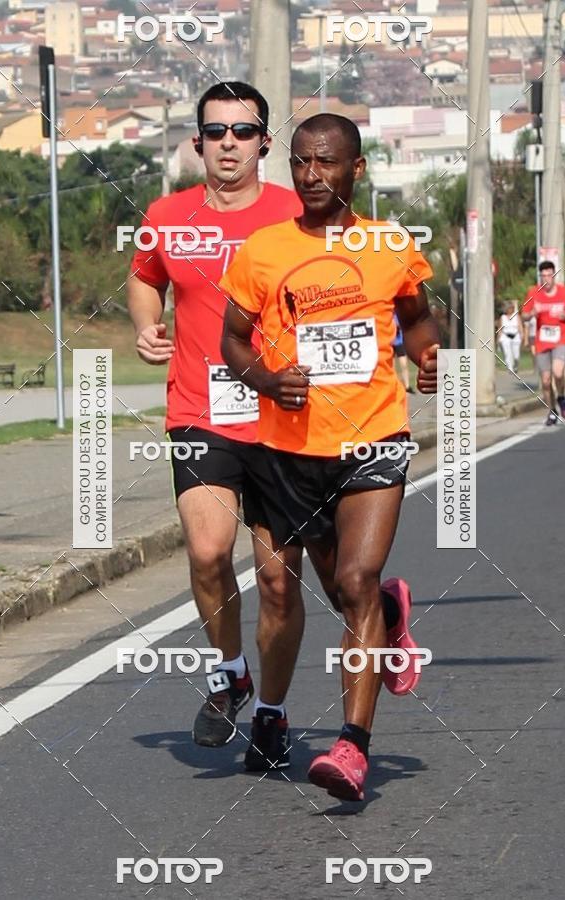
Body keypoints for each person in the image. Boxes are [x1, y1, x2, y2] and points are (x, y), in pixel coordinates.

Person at [220, 113, 440, 801]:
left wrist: (429, 353)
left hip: (374, 437)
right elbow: (232, 340)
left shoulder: (389, 245)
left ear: (357, 170)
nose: (312, 177)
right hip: (288, 450)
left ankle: (352, 747)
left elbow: (417, 317)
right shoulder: (262, 250)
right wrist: (263, 379)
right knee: (339, 590)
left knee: (355, 579)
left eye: (326, 164)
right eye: (301, 163)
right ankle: (389, 616)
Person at [127, 82, 304, 771]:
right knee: (207, 552)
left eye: (243, 129)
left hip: (286, 416)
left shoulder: (298, 213)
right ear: (197, 142)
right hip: (202, 411)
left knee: (279, 579)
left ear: (265, 141)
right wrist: (147, 327)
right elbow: (145, 275)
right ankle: (231, 673)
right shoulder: (167, 214)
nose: (229, 142)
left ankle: (272, 714)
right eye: (216, 131)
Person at [522, 260, 565, 425]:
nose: (547, 279)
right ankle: (552, 411)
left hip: (561, 338)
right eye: (543, 276)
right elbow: (523, 315)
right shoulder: (533, 292)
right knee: (545, 380)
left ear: (554, 275)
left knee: (558, 373)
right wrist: (532, 314)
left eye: (549, 275)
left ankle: (561, 397)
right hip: (542, 341)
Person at [497, 300, 523, 374]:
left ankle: (516, 366)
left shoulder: (516, 316)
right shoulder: (503, 317)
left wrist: (522, 335)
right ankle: (510, 368)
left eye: (511, 308)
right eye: (508, 308)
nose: (509, 309)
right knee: (507, 353)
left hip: (516, 336)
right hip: (505, 336)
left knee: (516, 355)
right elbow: (500, 329)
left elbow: (520, 326)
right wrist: (498, 340)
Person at [392, 312, 414, 392]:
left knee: (404, 365)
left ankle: (407, 386)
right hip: (390, 342)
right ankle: (394, 386)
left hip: (399, 342)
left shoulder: (399, 313)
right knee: (392, 367)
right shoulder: (387, 313)